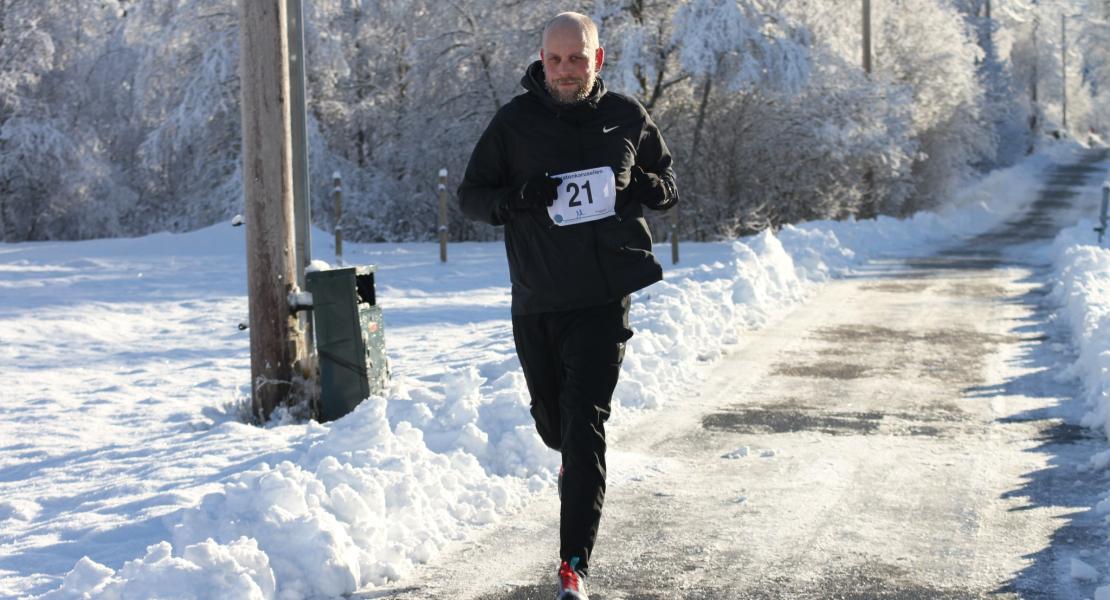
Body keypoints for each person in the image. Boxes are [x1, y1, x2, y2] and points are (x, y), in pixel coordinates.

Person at [457, 11, 678, 600]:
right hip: (537, 300)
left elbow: (668, 185)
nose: (565, 71)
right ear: (541, 60)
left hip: (603, 299)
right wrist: (516, 199)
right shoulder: (514, 123)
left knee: (585, 429)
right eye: (555, 60)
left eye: (576, 58)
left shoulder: (626, 116)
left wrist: (638, 188)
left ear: (596, 59)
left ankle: (573, 564)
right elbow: (471, 198)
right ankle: (570, 464)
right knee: (555, 426)